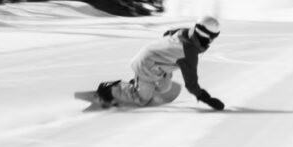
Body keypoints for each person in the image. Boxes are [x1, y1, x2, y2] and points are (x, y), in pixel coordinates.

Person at [80, 14, 225, 110]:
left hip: (158, 65)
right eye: (213, 37)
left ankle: (138, 84)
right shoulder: (189, 52)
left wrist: (165, 50)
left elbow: (168, 33)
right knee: (142, 99)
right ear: (208, 37)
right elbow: (191, 83)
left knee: (164, 87)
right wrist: (207, 99)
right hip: (146, 65)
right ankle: (110, 89)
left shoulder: (186, 32)